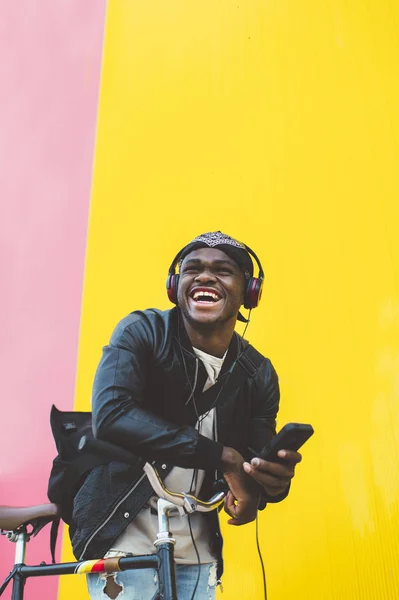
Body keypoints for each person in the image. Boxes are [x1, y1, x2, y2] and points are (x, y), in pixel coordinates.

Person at [70, 231, 302, 600]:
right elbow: (113, 414)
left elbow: (251, 468)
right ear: (175, 286)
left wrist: (270, 484)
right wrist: (223, 456)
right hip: (123, 532)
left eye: (223, 271)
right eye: (192, 269)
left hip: (200, 546)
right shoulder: (142, 332)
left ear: (249, 293)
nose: (205, 277)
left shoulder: (258, 373)